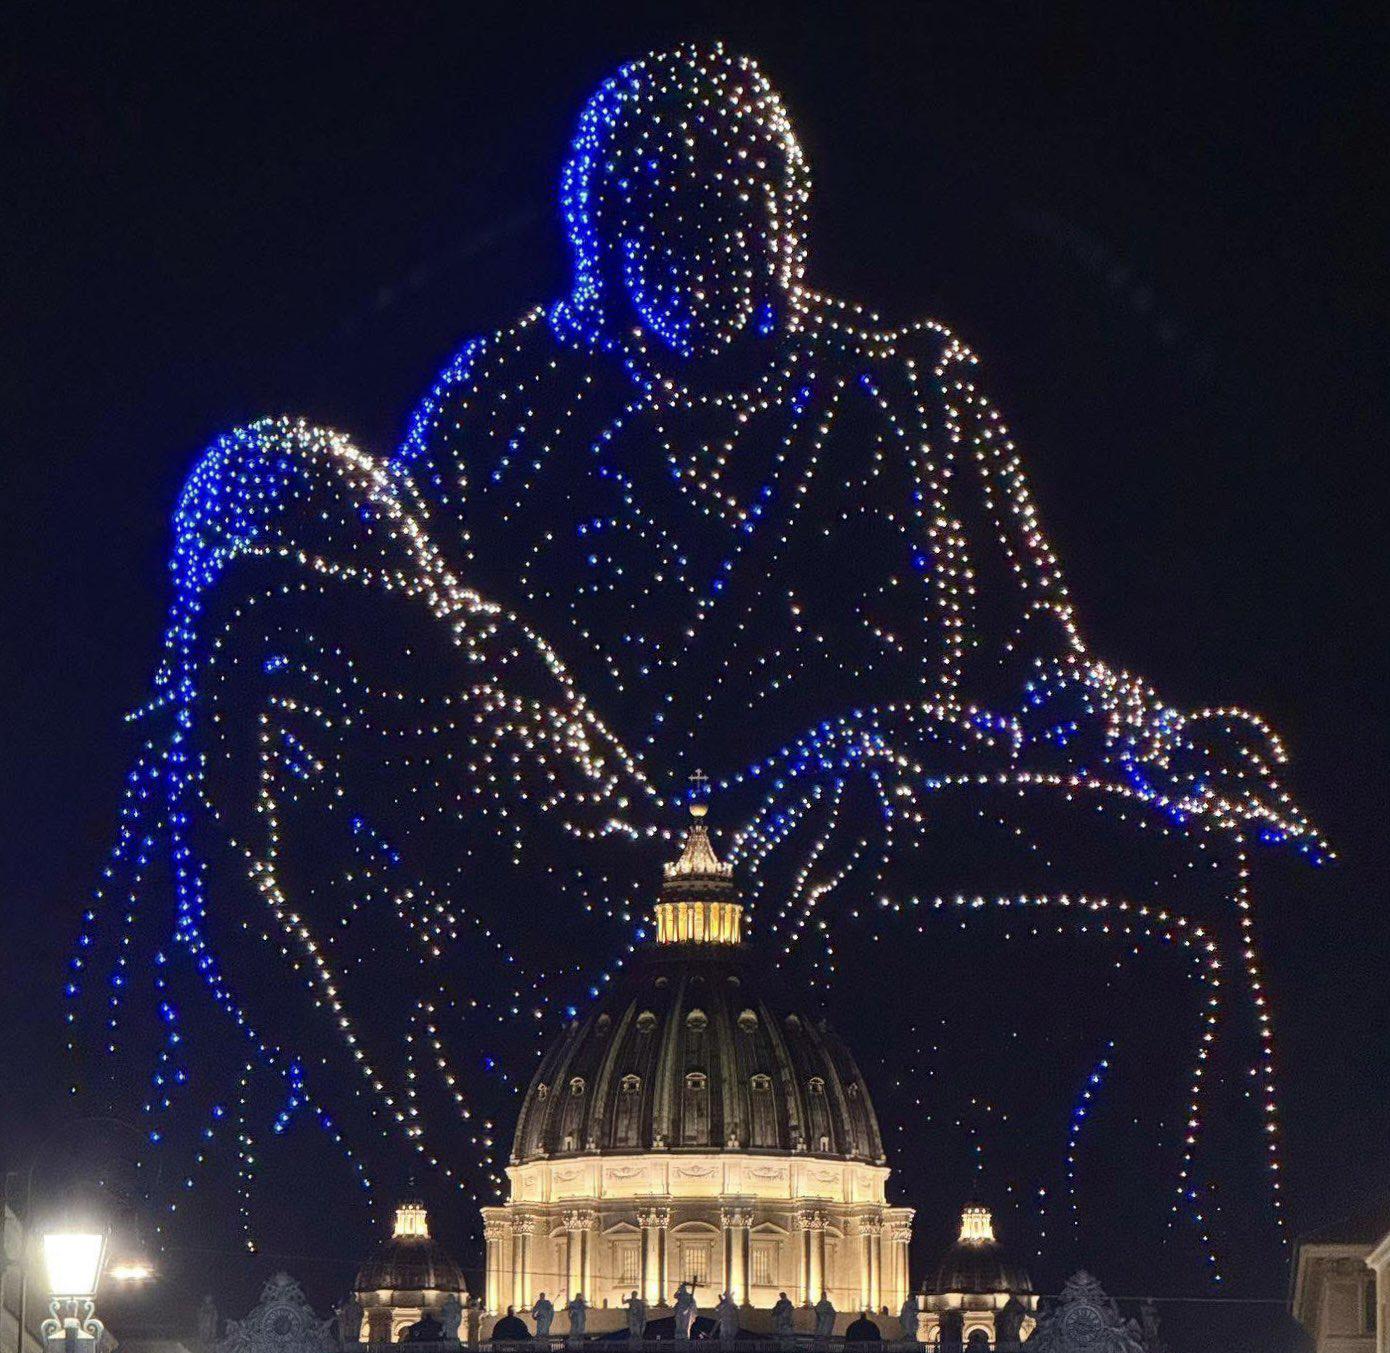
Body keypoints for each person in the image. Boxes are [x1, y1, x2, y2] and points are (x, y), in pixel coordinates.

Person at [76, 44, 1311, 1283]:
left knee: (1197, 870)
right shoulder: (506, 403)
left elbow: (1046, 661)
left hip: (879, 832)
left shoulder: (910, 391)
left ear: (785, 216)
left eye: (738, 211)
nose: (708, 245)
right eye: (671, 213)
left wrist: (1145, 734)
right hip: (593, 886)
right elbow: (414, 675)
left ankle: (1176, 1326)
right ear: (605, 229)